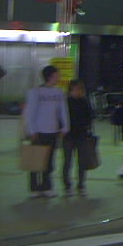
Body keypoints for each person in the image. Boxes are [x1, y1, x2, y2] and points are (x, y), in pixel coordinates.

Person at [23, 65, 69, 197]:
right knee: (36, 159)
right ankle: (34, 188)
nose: (59, 78)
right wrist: (32, 130)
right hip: (38, 132)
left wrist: (65, 127)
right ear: (50, 76)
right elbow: (30, 112)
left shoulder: (59, 92)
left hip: (53, 131)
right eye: (57, 75)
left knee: (49, 161)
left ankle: (47, 186)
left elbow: (63, 111)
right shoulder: (35, 92)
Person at [62, 80, 94, 196]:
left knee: (82, 162)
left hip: (82, 136)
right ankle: (67, 186)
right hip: (68, 136)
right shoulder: (65, 102)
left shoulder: (84, 101)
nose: (76, 92)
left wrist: (87, 127)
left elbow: (90, 116)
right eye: (74, 90)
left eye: (78, 89)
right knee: (67, 162)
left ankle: (81, 185)